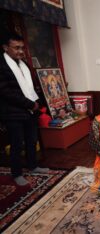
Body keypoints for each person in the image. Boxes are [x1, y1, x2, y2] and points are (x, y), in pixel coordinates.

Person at [0, 32, 48, 186]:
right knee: (17, 144)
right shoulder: (2, 65)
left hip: (31, 110)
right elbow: (6, 92)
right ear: (6, 48)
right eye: (16, 48)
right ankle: (16, 173)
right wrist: (29, 104)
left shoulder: (23, 64)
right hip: (14, 113)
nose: (20, 51)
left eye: (22, 47)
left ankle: (33, 166)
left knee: (32, 140)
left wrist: (37, 104)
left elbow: (30, 87)